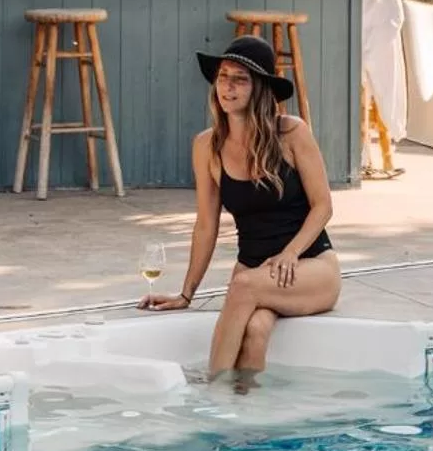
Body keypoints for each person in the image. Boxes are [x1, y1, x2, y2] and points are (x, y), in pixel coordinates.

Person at [139, 35, 340, 384]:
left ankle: (210, 395)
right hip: (254, 272)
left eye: (239, 79)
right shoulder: (207, 146)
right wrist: (187, 293)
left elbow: (323, 206)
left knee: (243, 286)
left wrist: (291, 253)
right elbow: (205, 226)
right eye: (222, 76)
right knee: (257, 329)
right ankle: (245, 419)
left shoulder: (292, 133)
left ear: (258, 88)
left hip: (309, 266)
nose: (227, 87)